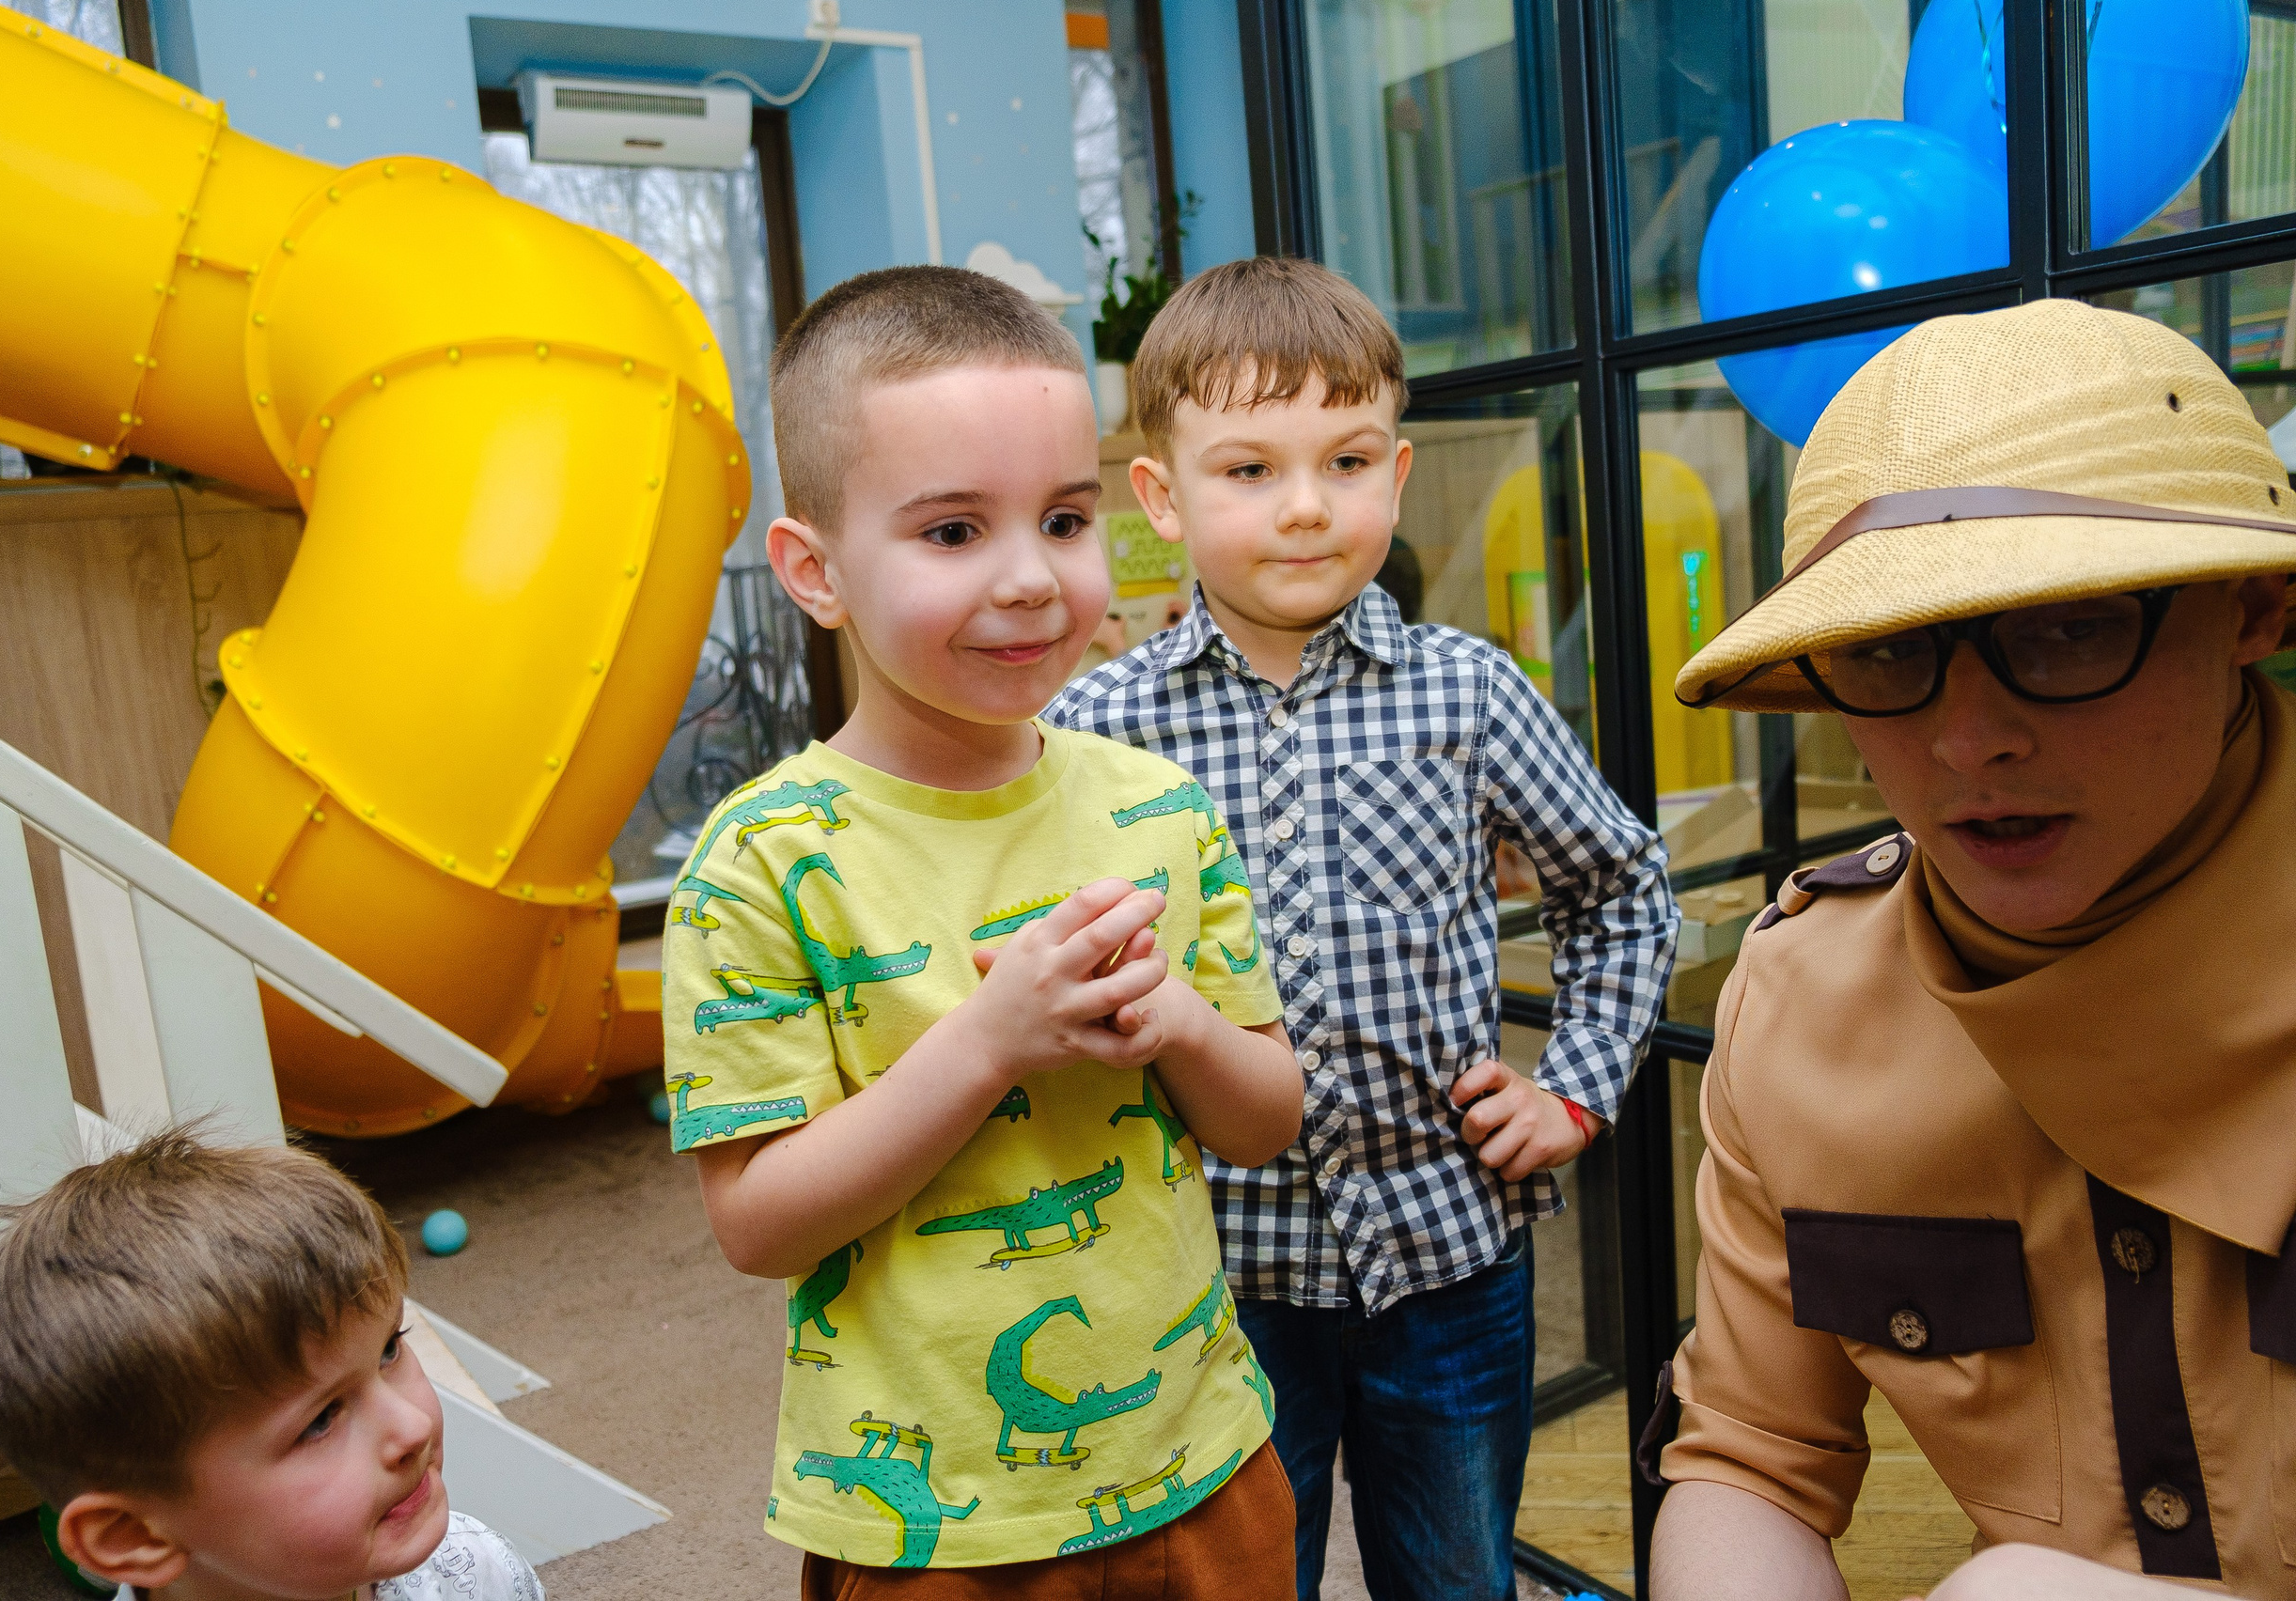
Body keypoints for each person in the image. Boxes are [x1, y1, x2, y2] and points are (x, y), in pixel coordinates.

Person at [1044, 256, 1679, 1601]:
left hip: (1448, 1256)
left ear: (1394, 473)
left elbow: (1622, 889)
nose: (1305, 506)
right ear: (1161, 496)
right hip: (1212, 1278)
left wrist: (1573, 1088)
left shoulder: (1468, 692)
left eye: (1344, 462)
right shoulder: (1093, 731)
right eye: (1248, 470)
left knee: (1455, 1578)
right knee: (1239, 1583)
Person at [663, 265, 1304, 1597]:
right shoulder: (759, 867)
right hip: (937, 1527)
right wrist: (989, 1043)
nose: (1029, 579)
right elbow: (759, 1226)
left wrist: (1181, 1023)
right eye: (953, 531)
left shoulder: (1162, 809)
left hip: (1205, 1455)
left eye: (1064, 519)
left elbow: (1265, 1122)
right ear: (816, 571)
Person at [1652, 298, 2296, 1600]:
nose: (1965, 740)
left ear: (2248, 610)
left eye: (2065, 626)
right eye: (1887, 648)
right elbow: (1753, 1453)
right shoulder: (1801, 1000)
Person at [0, 1128, 542, 1601]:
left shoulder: (474, 1572)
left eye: (389, 1349)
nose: (413, 1429)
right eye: (320, 1420)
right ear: (136, 1535)